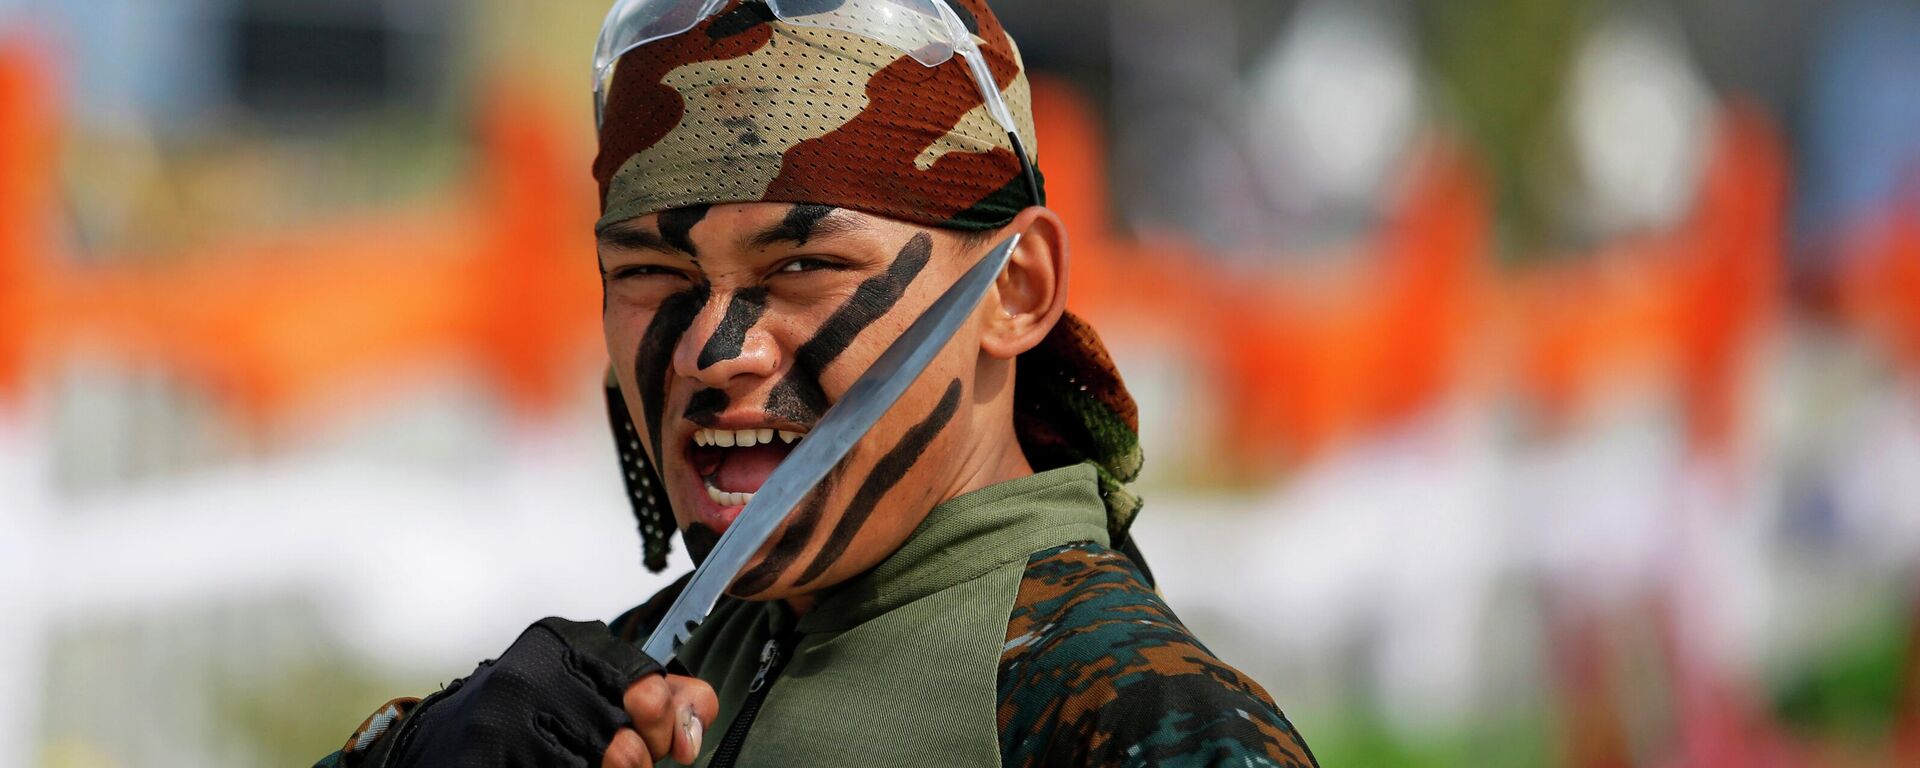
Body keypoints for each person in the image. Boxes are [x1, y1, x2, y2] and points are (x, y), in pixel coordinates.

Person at [316, 1, 1317, 766]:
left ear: (1016, 290)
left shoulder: (1131, 716)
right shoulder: (610, 700)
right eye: (653, 277)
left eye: (801, 268)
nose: (715, 349)